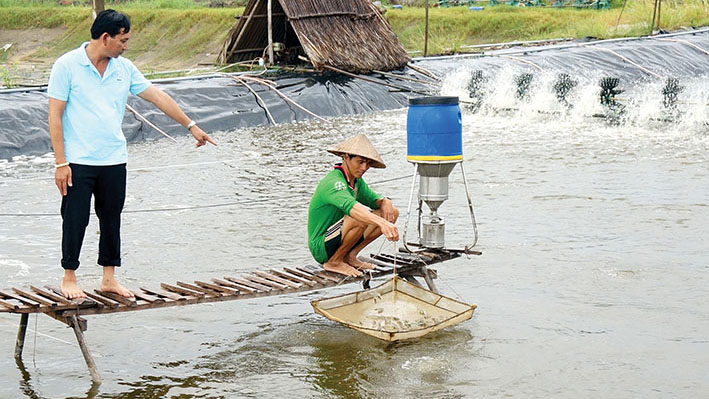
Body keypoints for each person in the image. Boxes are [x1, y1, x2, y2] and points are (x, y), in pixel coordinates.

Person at [48, 9, 216, 300]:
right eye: (123, 40)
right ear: (105, 37)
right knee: (75, 218)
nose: (126, 46)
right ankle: (69, 277)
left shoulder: (123, 68)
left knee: (111, 217)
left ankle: (109, 278)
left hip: (114, 159)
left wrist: (191, 126)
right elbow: (54, 114)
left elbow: (158, 96)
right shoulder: (67, 66)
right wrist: (60, 162)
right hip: (77, 161)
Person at [307, 134, 399, 277]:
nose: (364, 167)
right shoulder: (334, 182)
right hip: (321, 246)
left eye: (368, 163)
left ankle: (350, 256)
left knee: (391, 211)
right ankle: (334, 261)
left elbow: (375, 200)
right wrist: (383, 224)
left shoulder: (356, 181)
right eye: (360, 162)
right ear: (345, 157)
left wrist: (386, 201)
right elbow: (353, 209)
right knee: (358, 217)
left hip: (338, 237)